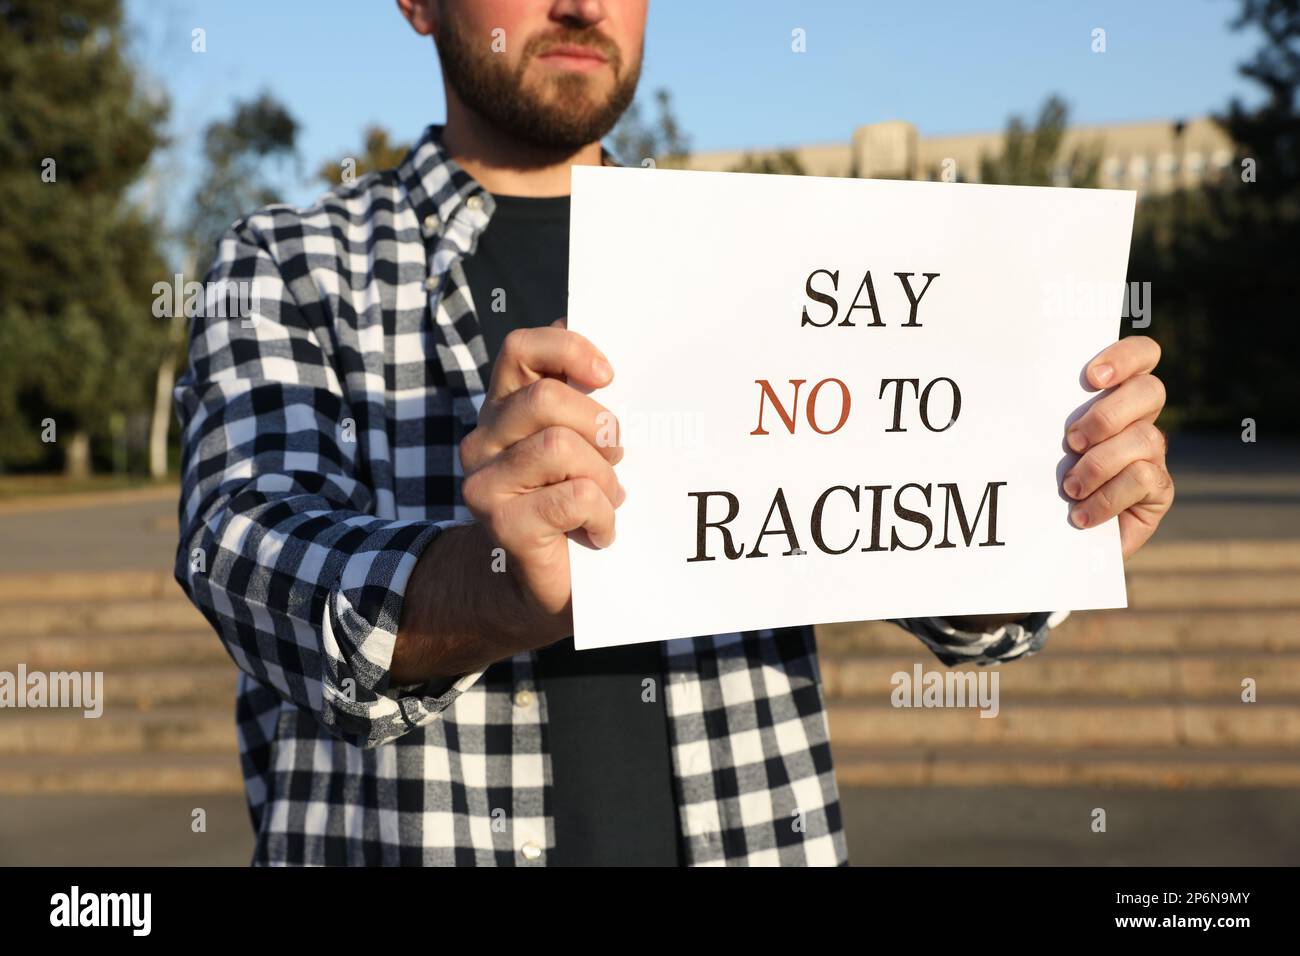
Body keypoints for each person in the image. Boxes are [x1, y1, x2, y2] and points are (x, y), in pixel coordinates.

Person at [173, 0, 1175, 866]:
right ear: (415, 3)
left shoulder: (767, 257)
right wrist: (491, 583)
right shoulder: (288, 263)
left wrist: (1055, 513)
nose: (581, 5)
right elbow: (245, 552)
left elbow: (911, 554)